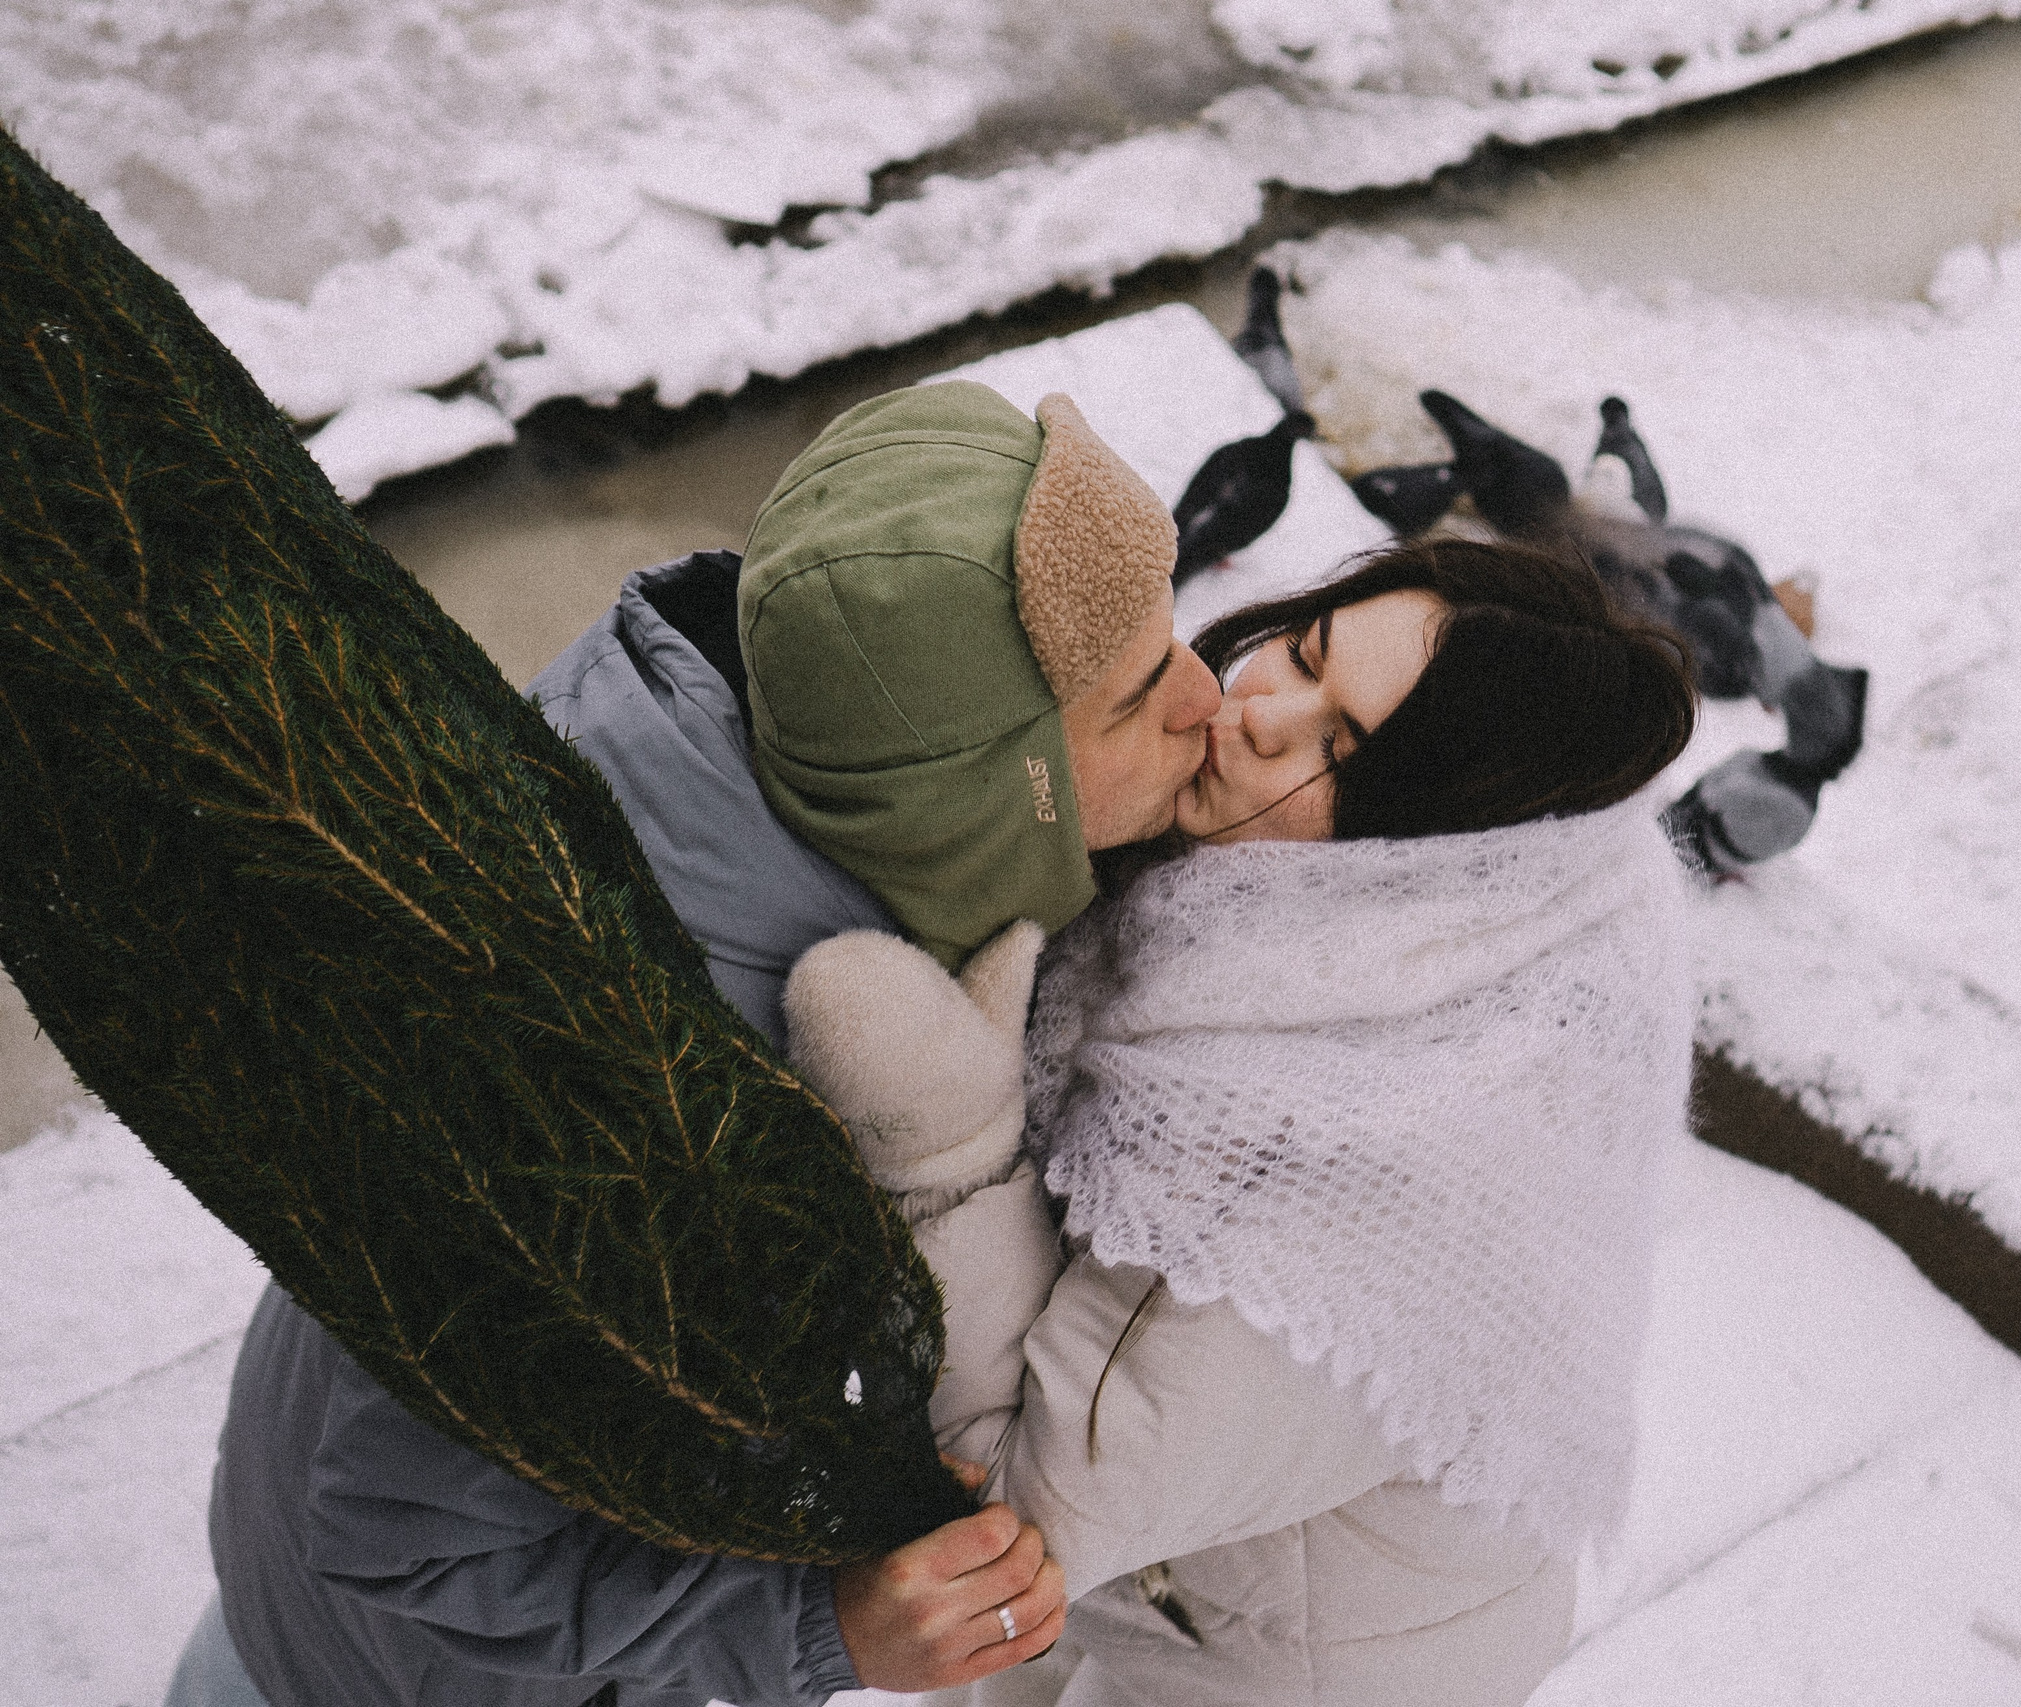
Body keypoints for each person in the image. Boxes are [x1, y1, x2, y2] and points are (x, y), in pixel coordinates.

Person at [172, 381, 1222, 1707]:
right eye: (1135, 698)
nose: (1209, 695)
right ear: (975, 800)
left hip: (298, 1550)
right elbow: (407, 1538)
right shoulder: (620, 1098)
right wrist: (812, 1628)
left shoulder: (704, 789)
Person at [783, 536, 1702, 1706]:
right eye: (1305, 652)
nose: (1261, 711)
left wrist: (944, 1147)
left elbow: (1011, 1522)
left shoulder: (1300, 1188)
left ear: (1432, 847)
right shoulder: (1512, 898)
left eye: (1340, 748)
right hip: (1216, 1559)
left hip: (1291, 1668)